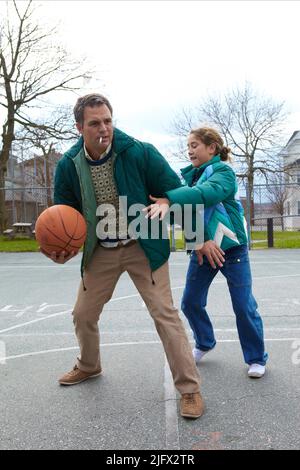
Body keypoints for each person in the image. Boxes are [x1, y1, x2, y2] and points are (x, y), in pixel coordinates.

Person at [41, 93, 204, 419]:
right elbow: (65, 214)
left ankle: (190, 389)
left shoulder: (139, 152)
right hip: (102, 248)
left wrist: (194, 235)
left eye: (107, 120)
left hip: (144, 246)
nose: (103, 128)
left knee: (165, 315)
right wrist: (63, 248)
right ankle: (89, 366)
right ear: (79, 127)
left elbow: (176, 189)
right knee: (82, 314)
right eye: (94, 123)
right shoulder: (69, 165)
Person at [145, 127, 268, 378]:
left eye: (194, 145)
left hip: (232, 250)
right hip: (203, 252)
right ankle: (205, 342)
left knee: (244, 306)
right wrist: (198, 239)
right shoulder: (189, 178)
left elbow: (205, 195)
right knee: (190, 302)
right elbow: (185, 214)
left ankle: (256, 358)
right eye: (188, 146)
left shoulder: (223, 172)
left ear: (211, 148)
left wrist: (169, 199)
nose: (189, 150)